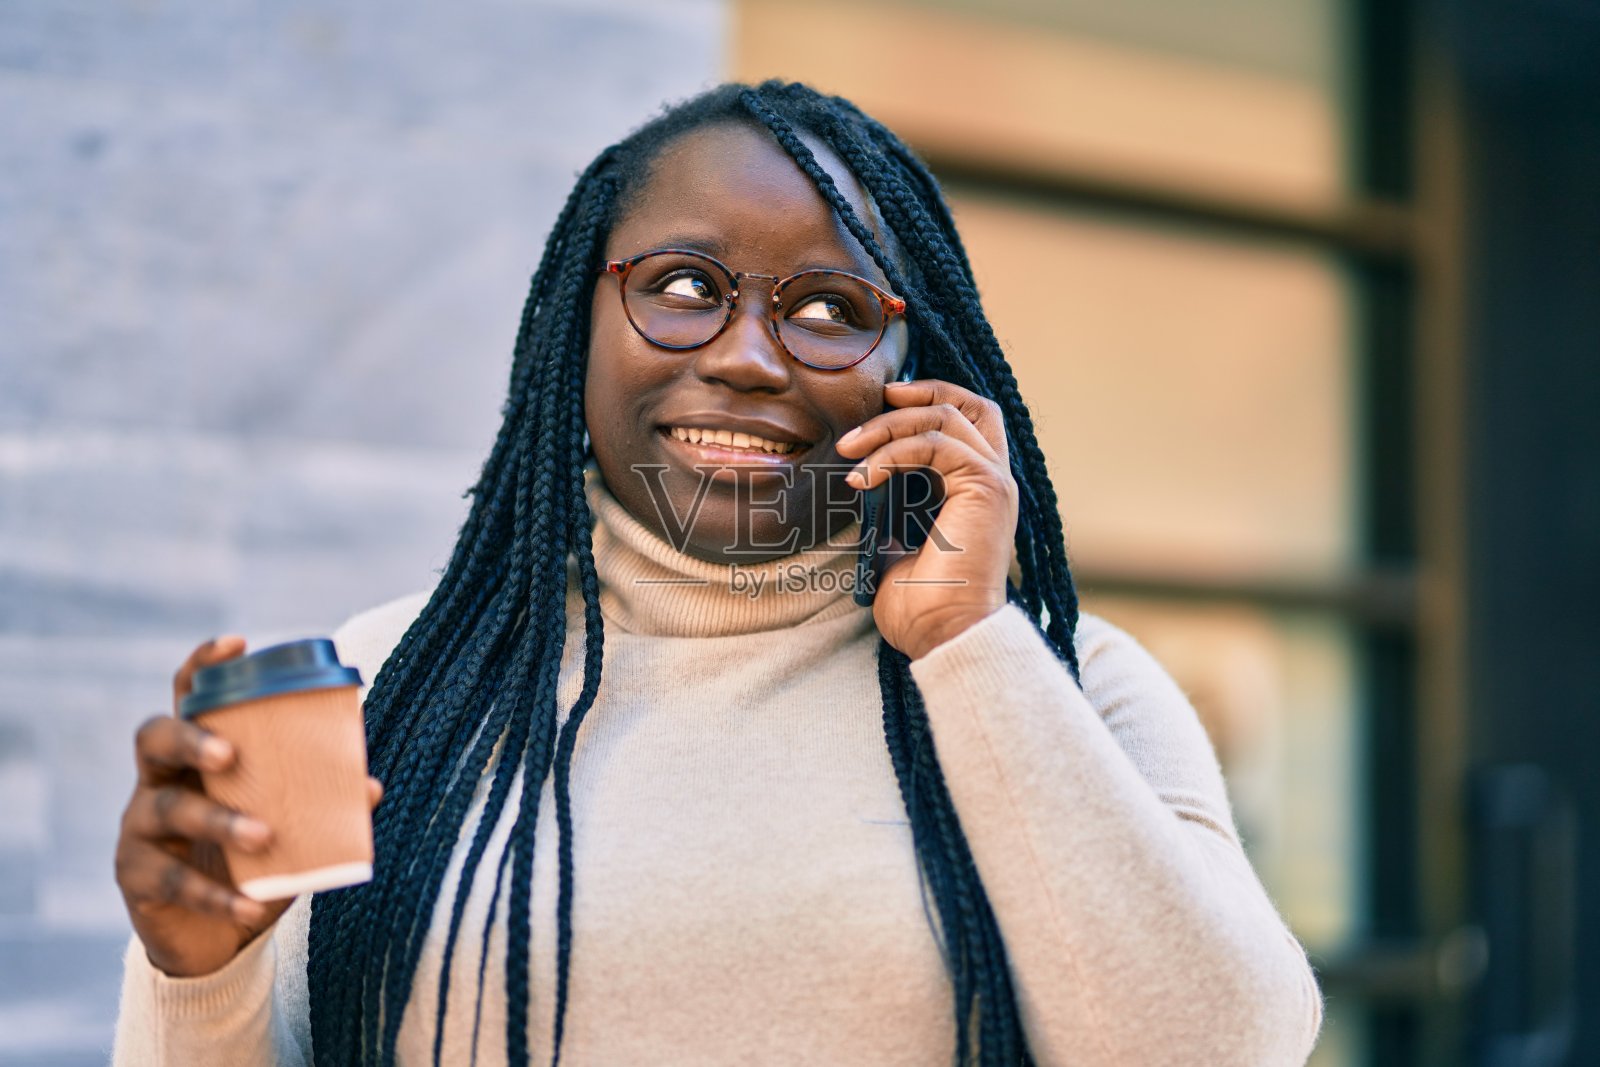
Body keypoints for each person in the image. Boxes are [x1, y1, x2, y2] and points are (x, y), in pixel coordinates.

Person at [110, 81, 1324, 1066]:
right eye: (683, 287)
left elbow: (1222, 1049)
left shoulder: (1065, 682)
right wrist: (201, 974)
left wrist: (967, 641)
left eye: (829, 305)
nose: (748, 356)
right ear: (570, 327)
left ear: (916, 361)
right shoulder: (393, 686)